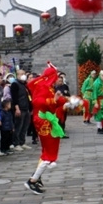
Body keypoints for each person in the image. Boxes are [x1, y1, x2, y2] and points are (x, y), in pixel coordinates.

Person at [24, 64, 68, 194]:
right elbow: (39, 102)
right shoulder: (42, 87)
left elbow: (55, 102)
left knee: (47, 151)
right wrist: (54, 100)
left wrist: (67, 100)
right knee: (48, 153)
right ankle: (32, 180)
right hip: (43, 121)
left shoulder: (48, 87)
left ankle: (36, 177)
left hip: (46, 120)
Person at [10, 70, 32, 151]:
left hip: (26, 108)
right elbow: (14, 98)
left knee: (25, 126)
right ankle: (16, 143)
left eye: (24, 74)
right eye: (21, 74)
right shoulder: (15, 84)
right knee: (18, 126)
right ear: (17, 75)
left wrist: (30, 108)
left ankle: (22, 142)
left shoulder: (25, 85)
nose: (23, 75)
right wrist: (17, 108)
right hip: (20, 108)